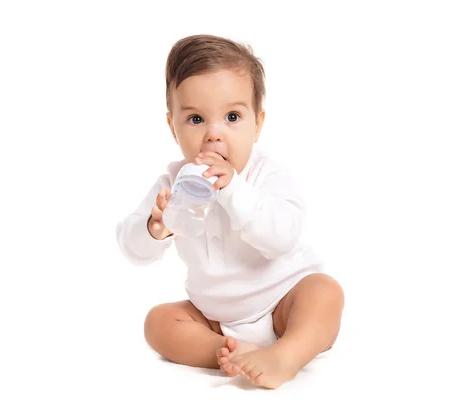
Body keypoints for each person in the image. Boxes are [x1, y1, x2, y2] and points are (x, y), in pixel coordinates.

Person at [115, 34, 344, 389]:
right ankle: (228, 351)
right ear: (172, 127)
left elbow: (282, 237)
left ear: (258, 124)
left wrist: (233, 189)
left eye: (232, 116)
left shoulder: (268, 175)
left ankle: (288, 354)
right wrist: (155, 227)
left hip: (283, 304)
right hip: (214, 318)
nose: (214, 135)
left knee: (325, 292)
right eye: (195, 119)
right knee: (158, 323)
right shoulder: (172, 183)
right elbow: (131, 248)